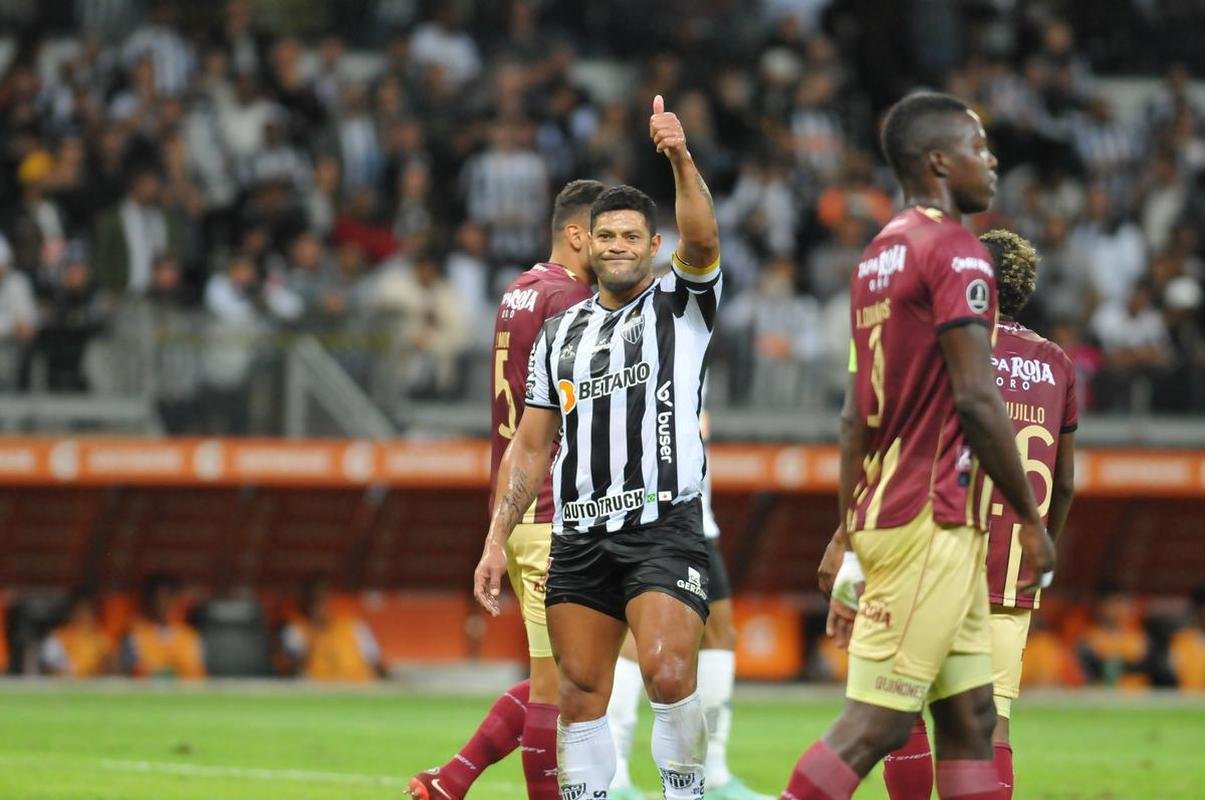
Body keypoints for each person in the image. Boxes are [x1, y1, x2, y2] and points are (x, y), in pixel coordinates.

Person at [797, 92, 1055, 800]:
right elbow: (976, 397)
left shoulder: (877, 256)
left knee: (971, 717)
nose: (990, 160)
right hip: (930, 515)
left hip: (900, 508)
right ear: (939, 161)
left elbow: (855, 416)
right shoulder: (956, 252)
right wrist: (1030, 523)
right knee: (874, 725)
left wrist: (850, 531)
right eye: (978, 147)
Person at [472, 95, 721, 800]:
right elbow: (528, 446)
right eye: (604, 235)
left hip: (659, 523)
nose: (616, 246)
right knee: (579, 699)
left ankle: (685, 793)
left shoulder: (681, 305)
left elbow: (701, 241)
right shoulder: (562, 331)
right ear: (590, 240)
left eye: (630, 236)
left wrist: (677, 155)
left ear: (650, 246)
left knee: (669, 674)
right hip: (578, 533)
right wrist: (497, 537)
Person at [407, 178, 605, 800]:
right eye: (605, 235)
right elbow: (570, 412)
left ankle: (453, 780)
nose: (615, 248)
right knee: (558, 687)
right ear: (577, 235)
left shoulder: (519, 290)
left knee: (578, 674)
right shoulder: (570, 300)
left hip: (516, 507)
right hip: (553, 509)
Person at [878, 229, 1079, 799]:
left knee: (904, 708)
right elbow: (1064, 483)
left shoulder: (939, 345)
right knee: (988, 723)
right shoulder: (1056, 363)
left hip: (931, 551)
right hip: (1010, 565)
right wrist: (1039, 550)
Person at [608, 412, 772, 800]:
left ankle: (714, 772)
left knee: (720, 630)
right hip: (651, 510)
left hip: (697, 513)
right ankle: (614, 774)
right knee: (639, 633)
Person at [280, 578, 382, 682]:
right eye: (313, 599)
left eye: (322, 598)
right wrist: (314, 634)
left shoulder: (353, 625)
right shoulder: (296, 630)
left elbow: (374, 662)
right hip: (319, 692)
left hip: (359, 689)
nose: (318, 605)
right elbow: (294, 670)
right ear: (304, 601)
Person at [121, 573, 206, 680]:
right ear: (149, 600)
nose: (163, 604)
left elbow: (196, 675)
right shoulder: (134, 635)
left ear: (176, 600)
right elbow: (133, 673)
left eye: (168, 597)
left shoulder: (189, 636)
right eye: (158, 598)